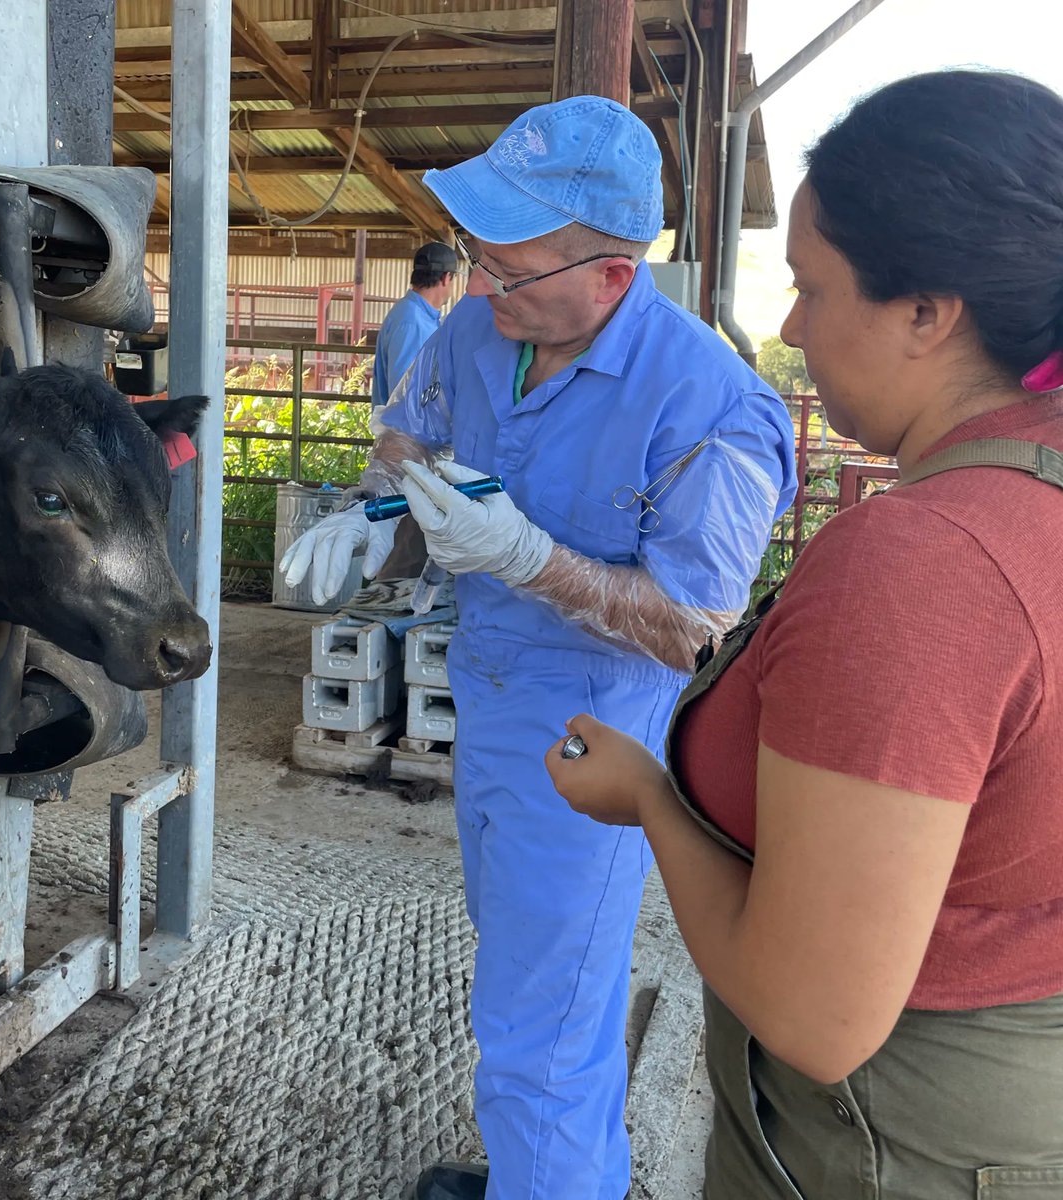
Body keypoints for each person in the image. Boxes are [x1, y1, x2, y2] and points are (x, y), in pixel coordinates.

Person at [547, 69, 1063, 1200]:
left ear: (930, 312)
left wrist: (647, 798)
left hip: (890, 1145)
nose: (788, 327)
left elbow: (814, 1015)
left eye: (813, 289)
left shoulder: (925, 564)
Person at [280, 95, 796, 1200]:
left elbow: (694, 624)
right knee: (532, 978)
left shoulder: (711, 409)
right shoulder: (486, 324)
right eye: (472, 259)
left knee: (542, 1027)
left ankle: (551, 1181)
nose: (480, 289)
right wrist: (371, 512)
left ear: (612, 276)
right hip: (488, 694)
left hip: (591, 742)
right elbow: (411, 429)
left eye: (506, 270)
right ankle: (552, 1175)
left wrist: (530, 559)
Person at [370, 240, 458, 409]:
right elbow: (402, 395)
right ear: (446, 278)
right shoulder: (412, 323)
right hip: (408, 433)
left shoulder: (416, 316)